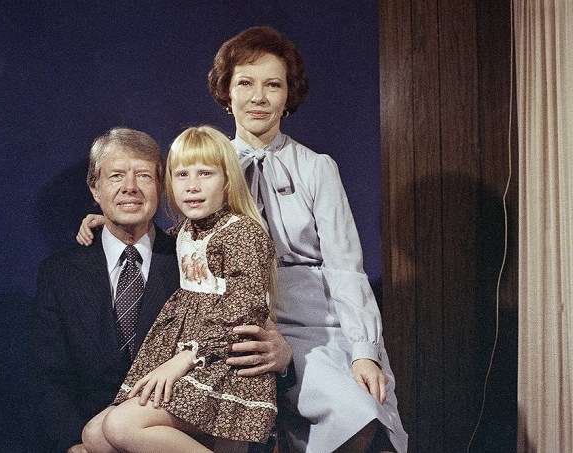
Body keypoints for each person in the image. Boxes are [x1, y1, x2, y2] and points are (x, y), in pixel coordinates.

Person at [79, 27, 408, 453]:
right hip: (232, 325)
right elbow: (184, 240)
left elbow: (346, 267)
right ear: (226, 93)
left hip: (313, 325)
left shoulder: (317, 168)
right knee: (108, 432)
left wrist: (363, 350)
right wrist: (118, 222)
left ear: (289, 96)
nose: (259, 97)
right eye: (245, 84)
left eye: (273, 85)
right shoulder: (207, 162)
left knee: (356, 413)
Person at [27, 127, 291, 453]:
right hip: (115, 426)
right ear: (95, 188)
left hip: (204, 398)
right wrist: (70, 445)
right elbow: (46, 378)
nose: (130, 188)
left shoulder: (193, 250)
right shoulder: (60, 274)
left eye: (143, 176)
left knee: (117, 427)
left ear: (158, 187)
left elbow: (246, 308)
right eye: (116, 177)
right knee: (95, 435)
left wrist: (283, 358)